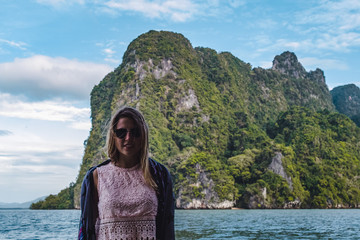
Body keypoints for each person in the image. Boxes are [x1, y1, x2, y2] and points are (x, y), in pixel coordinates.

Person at [78, 107, 175, 240]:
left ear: (143, 136)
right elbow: (88, 228)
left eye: (135, 132)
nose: (128, 138)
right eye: (121, 132)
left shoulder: (159, 175)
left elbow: (167, 227)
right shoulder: (96, 176)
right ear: (113, 135)